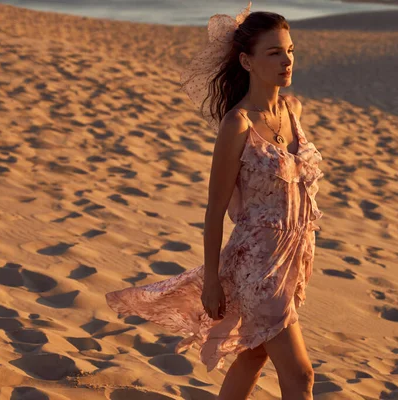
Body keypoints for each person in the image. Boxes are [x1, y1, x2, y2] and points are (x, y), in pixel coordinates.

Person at [105, 2, 324, 399]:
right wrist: (211, 280)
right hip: (258, 267)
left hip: (292, 260)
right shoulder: (237, 124)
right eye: (274, 52)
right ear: (246, 61)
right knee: (300, 375)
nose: (287, 60)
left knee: (254, 356)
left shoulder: (293, 110)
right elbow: (215, 209)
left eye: (290, 50)